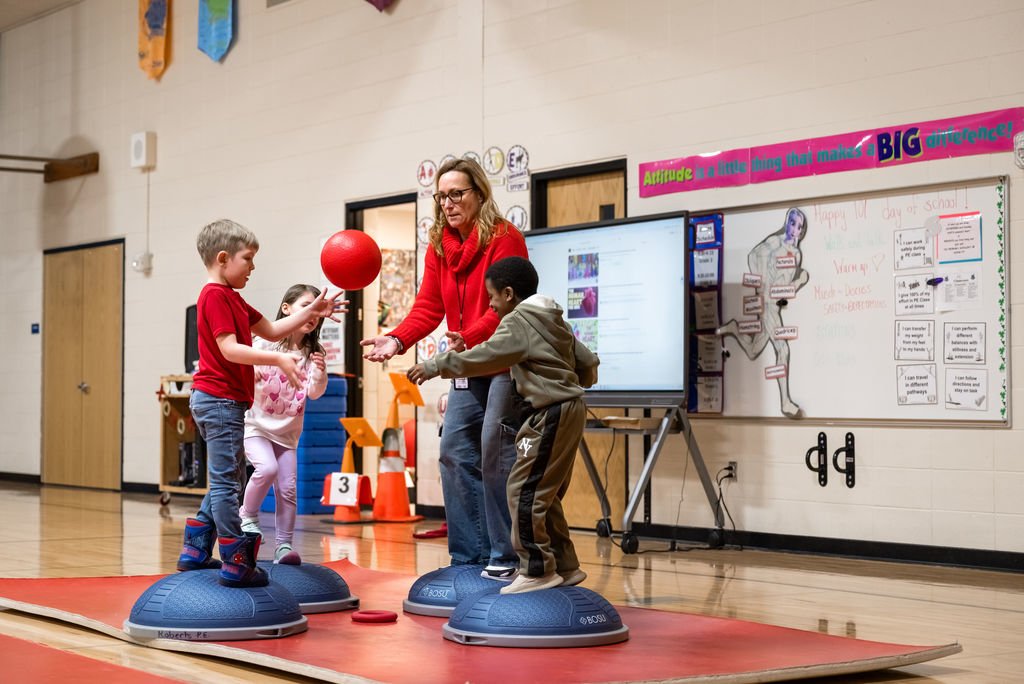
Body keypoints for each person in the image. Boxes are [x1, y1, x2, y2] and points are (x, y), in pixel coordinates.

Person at [361, 158, 528, 580]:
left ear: (479, 194)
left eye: (457, 193)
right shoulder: (440, 245)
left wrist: (467, 338)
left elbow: (509, 305)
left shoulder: (504, 237)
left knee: (495, 455)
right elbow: (429, 306)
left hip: (504, 363)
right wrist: (397, 339)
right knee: (454, 453)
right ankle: (467, 558)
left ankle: (504, 558)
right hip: (466, 364)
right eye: (441, 196)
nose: (448, 203)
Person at [408, 256, 599, 594]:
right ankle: (565, 566)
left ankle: (537, 569)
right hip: (570, 409)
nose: (491, 305)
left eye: (493, 297)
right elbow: (588, 364)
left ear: (509, 294)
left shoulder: (518, 322)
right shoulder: (553, 319)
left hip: (550, 413)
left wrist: (436, 365)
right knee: (545, 491)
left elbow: (484, 356)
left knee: (522, 489)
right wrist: (569, 379)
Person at [177, 220, 345, 587]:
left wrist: (313, 311)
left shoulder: (234, 298)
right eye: (248, 259)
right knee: (227, 485)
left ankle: (195, 549)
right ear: (223, 259)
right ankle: (236, 559)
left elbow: (272, 329)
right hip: (218, 399)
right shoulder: (214, 296)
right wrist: (278, 360)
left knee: (231, 477)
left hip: (229, 402)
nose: (253, 267)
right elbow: (229, 349)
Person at [238, 284, 329, 566]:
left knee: (288, 489)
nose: (312, 314)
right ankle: (247, 516)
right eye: (305, 306)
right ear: (287, 308)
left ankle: (283, 546)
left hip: (288, 434)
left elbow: (314, 393)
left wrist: (321, 373)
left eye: (317, 310)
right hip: (256, 427)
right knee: (267, 468)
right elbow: (244, 365)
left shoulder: (314, 353)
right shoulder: (264, 343)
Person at [716, 207, 808, 418]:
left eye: (798, 226)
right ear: (787, 223)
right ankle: (785, 403)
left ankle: (734, 328)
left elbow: (786, 287)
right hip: (766, 304)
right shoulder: (775, 242)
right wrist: (762, 284)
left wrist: (798, 281)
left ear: (801, 232)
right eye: (792, 222)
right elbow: (752, 256)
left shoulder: (796, 254)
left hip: (774, 305)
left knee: (752, 350)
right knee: (782, 349)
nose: (794, 228)